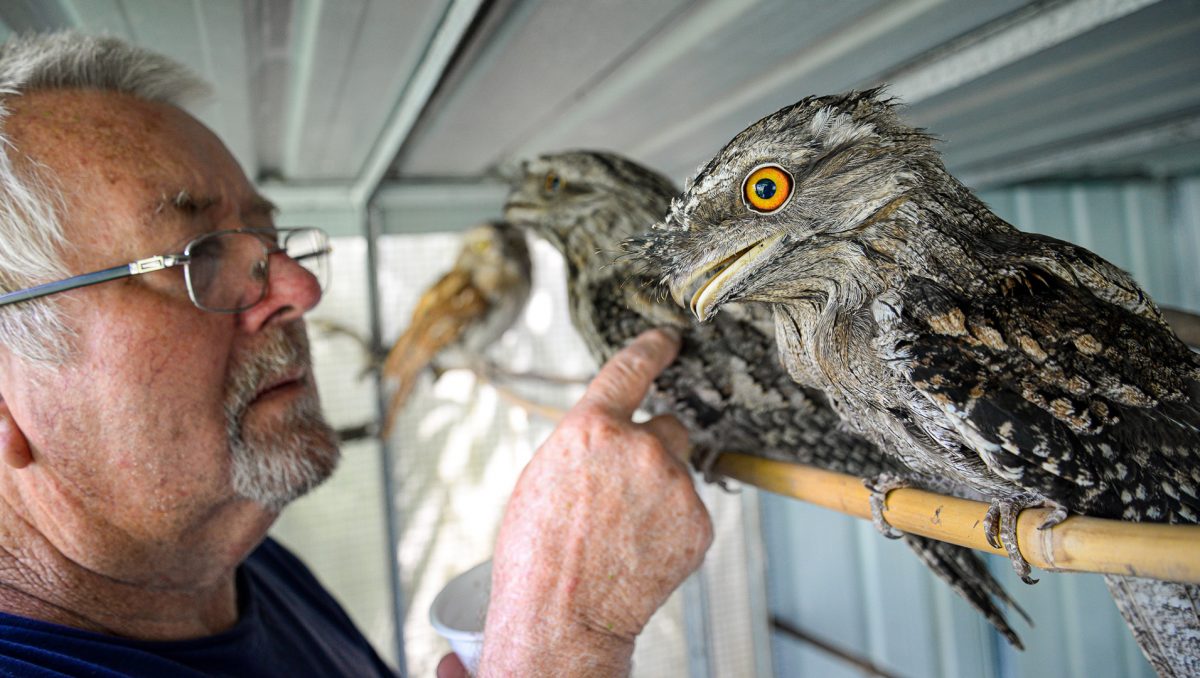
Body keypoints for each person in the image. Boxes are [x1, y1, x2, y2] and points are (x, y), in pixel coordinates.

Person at [0, 31, 712, 677]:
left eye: (270, 238)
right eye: (202, 256)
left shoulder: (240, 570)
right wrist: (565, 648)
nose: (300, 286)